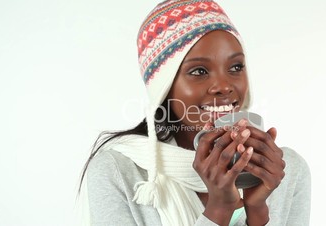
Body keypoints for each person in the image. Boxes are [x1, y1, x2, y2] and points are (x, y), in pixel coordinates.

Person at [79, 0, 311, 225]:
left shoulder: (284, 170)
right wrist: (219, 209)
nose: (224, 86)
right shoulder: (119, 172)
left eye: (236, 67)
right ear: (164, 87)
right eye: (199, 71)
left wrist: (258, 212)